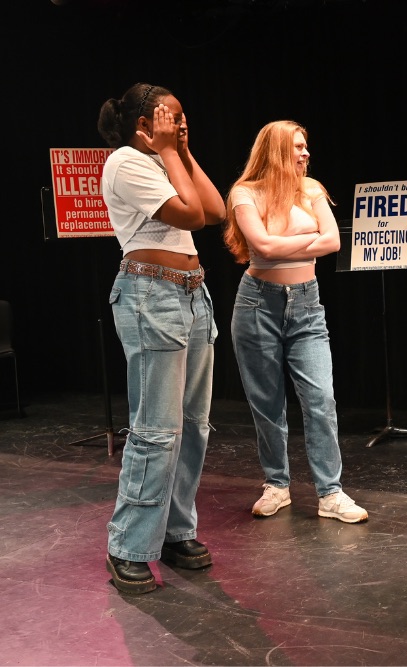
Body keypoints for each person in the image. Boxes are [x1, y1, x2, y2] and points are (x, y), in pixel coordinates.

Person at [98, 83, 226, 594]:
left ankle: (175, 531)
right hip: (151, 295)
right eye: (170, 117)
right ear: (143, 123)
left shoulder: (167, 160)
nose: (180, 123)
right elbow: (190, 215)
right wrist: (171, 151)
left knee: (193, 426)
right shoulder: (126, 162)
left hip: (193, 295)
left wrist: (183, 152)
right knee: (156, 429)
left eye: (182, 116)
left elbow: (214, 209)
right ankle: (128, 544)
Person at [223, 120, 367, 524]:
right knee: (267, 404)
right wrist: (307, 242)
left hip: (307, 305)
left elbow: (334, 241)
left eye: (307, 147)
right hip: (257, 305)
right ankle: (276, 485)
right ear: (275, 151)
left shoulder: (312, 189)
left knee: (320, 399)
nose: (305, 154)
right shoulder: (245, 192)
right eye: (297, 147)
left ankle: (331, 493)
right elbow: (261, 246)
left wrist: (279, 247)